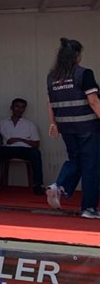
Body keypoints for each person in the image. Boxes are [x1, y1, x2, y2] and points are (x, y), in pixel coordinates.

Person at [45, 38, 100, 219]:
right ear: (77, 55)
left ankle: (59, 185)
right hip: (88, 126)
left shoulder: (52, 77)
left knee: (75, 159)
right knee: (91, 166)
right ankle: (88, 208)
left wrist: (53, 123)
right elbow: (93, 101)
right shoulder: (84, 73)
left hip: (66, 127)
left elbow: (50, 103)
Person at [0, 98, 44, 194]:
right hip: (8, 149)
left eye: (22, 107)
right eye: (17, 106)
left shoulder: (30, 124)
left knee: (36, 153)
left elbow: (36, 144)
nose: (19, 109)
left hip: (24, 150)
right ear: (11, 107)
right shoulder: (2, 122)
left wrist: (19, 139)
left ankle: (38, 185)